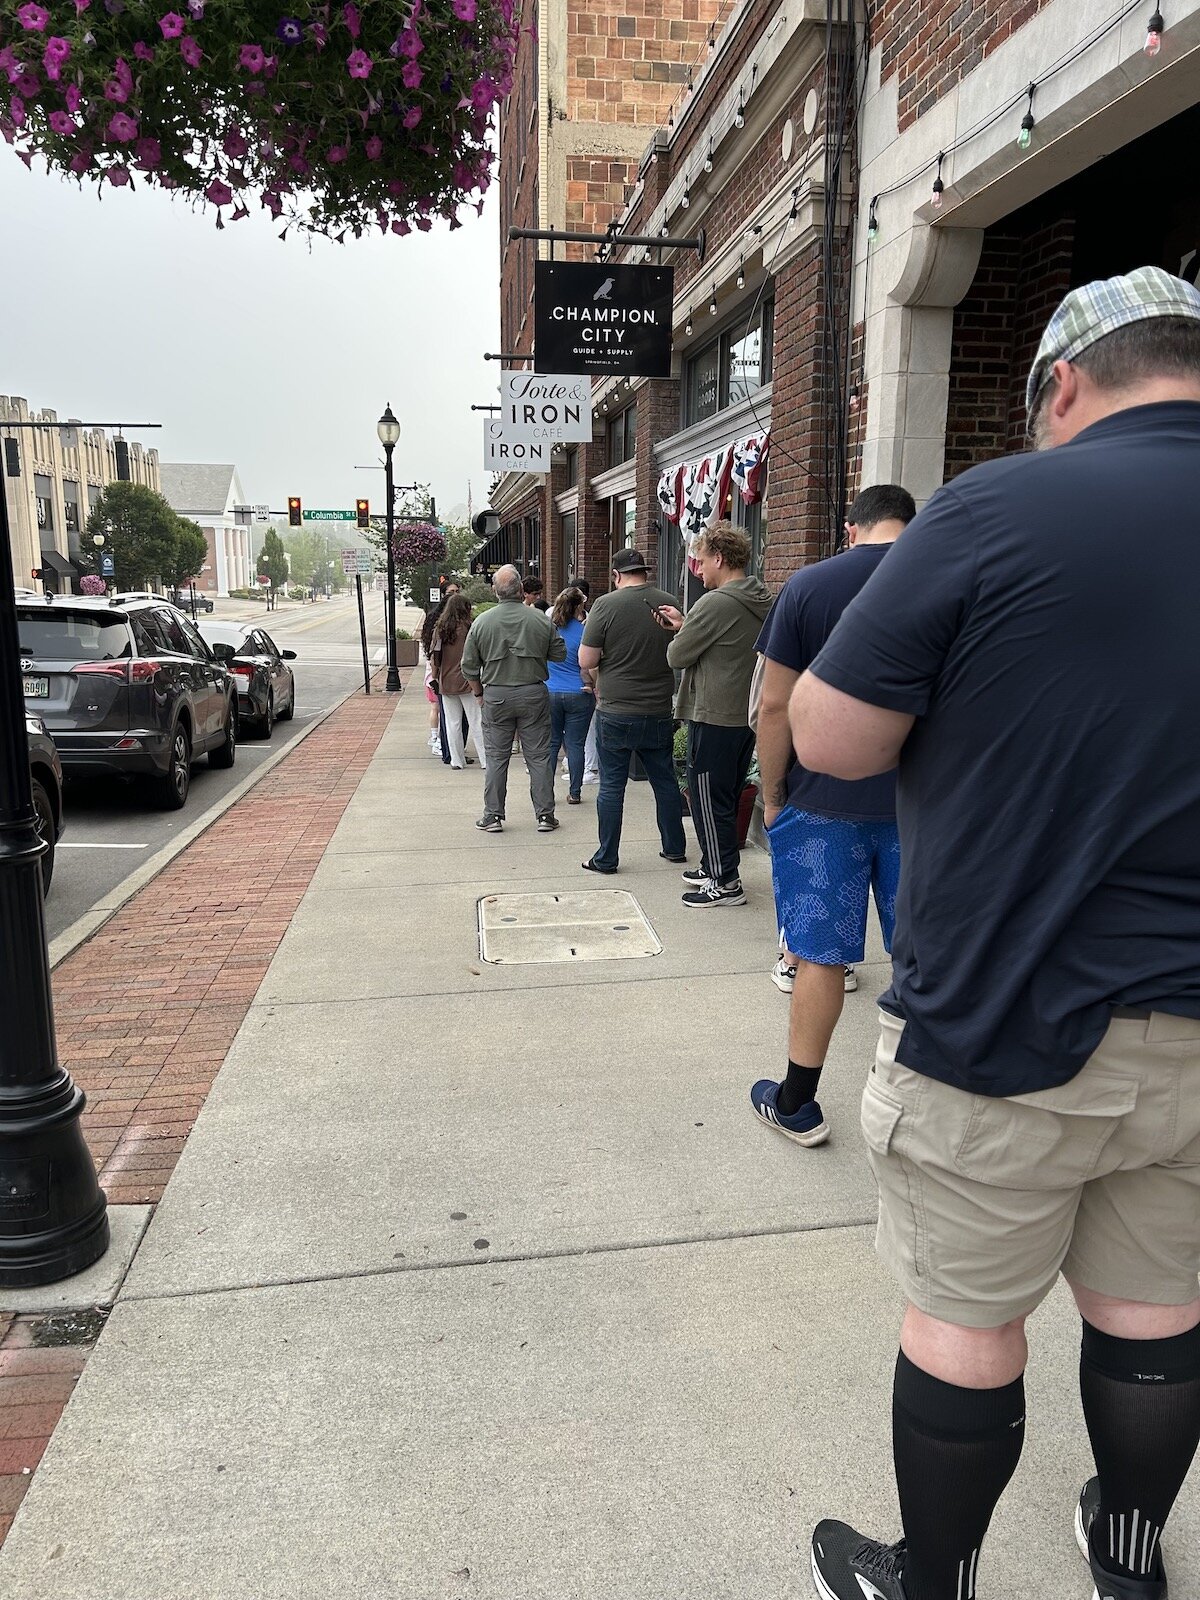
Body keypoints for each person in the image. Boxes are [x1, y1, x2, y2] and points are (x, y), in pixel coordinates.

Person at [792, 268, 1200, 1600]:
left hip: (1004, 1018)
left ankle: (935, 1582)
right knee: (1156, 1311)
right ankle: (1129, 1557)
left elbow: (832, 735)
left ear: (1063, 387)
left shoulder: (993, 509)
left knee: (966, 1322)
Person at [750, 483, 915, 1149]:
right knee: (924, 955)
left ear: (852, 528)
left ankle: (797, 1102)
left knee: (819, 956)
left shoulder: (809, 588)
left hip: (821, 803)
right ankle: (921, 1099)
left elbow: (773, 705)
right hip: (920, 808)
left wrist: (772, 796)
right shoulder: (954, 583)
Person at [654, 521, 771, 906]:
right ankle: (713, 866)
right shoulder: (761, 597)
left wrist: (681, 631)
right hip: (744, 715)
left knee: (707, 800)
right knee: (725, 795)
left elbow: (677, 655)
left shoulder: (714, 602)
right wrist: (686, 624)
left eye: (701, 561)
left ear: (719, 558)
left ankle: (725, 882)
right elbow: (726, 642)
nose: (698, 569)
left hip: (713, 714)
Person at [577, 547, 687, 874]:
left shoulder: (605, 605)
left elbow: (586, 659)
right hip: (658, 707)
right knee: (664, 781)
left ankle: (606, 858)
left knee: (612, 786)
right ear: (644, 571)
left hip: (616, 709)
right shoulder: (668, 601)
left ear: (616, 575)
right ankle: (674, 848)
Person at [461, 564, 565, 833]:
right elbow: (559, 654)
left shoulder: (482, 622)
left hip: (496, 694)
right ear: (520, 589)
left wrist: (479, 693)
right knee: (538, 757)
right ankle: (545, 815)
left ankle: (493, 816)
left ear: (495, 591)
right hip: (533, 692)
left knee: (496, 758)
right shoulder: (540, 619)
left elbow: (469, 667)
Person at [546, 586, 594, 804]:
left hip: (550, 691)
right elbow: (588, 666)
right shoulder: (585, 633)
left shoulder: (549, 631)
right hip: (579, 692)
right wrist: (592, 685)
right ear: (579, 606)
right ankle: (575, 792)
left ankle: (546, 792)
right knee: (575, 745)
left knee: (551, 744)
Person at [429, 593, 485, 770]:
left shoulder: (440, 630)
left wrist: (435, 676)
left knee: (452, 723)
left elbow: (435, 657)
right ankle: (485, 760)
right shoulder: (469, 628)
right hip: (468, 680)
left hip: (446, 681)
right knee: (476, 721)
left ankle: (456, 760)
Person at [569, 577, 601, 786]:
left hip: (587, 684)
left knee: (587, 732)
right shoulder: (581, 626)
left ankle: (591, 768)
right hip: (581, 684)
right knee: (580, 734)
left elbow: (590, 661)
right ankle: (584, 770)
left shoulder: (590, 623)